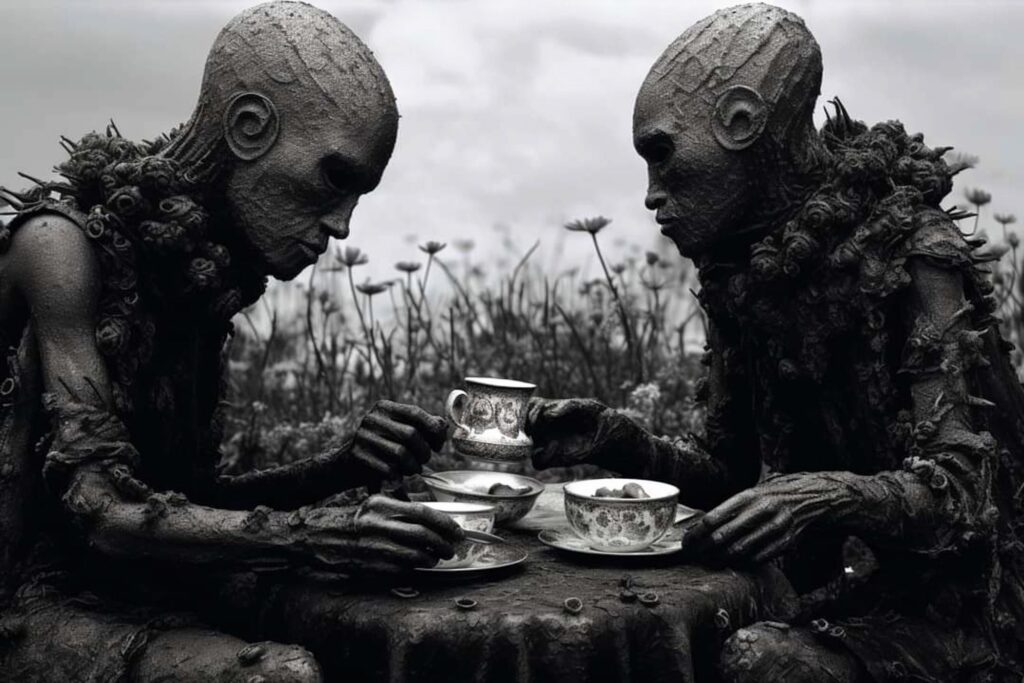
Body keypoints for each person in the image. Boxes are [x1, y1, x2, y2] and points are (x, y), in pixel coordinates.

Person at [527, 4, 1024, 681]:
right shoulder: (746, 272)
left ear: (741, 123)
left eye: (664, 157)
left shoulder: (916, 252)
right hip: (840, 595)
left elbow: (964, 493)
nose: (651, 196)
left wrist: (822, 496)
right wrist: (623, 440)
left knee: (759, 662)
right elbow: (731, 470)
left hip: (969, 614)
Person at [0, 3, 462, 680]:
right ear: (250, 129)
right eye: (332, 180)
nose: (340, 227)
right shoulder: (60, 250)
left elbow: (184, 499)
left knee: (380, 617)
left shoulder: (201, 273)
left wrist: (339, 469)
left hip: (136, 584)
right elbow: (100, 510)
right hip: (29, 608)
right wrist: (321, 534)